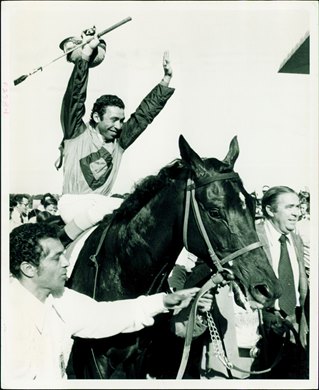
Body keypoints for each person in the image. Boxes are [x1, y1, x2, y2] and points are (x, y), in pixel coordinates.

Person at [3, 223, 199, 384]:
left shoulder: (61, 299)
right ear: (28, 269)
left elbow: (107, 316)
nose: (66, 262)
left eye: (64, 254)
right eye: (56, 258)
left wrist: (164, 301)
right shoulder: (7, 318)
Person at [55, 30, 175, 245]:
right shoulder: (76, 132)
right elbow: (75, 97)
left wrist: (165, 81)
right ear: (95, 117)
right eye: (113, 120)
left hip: (101, 205)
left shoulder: (119, 141)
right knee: (125, 205)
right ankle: (61, 240)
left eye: (121, 120)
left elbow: (143, 115)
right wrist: (85, 55)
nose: (119, 126)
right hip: (73, 204)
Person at [255, 186, 309, 378]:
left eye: (298, 207)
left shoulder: (295, 239)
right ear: (270, 210)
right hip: (262, 324)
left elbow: (300, 280)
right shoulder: (252, 236)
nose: (297, 212)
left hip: (294, 322)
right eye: (290, 207)